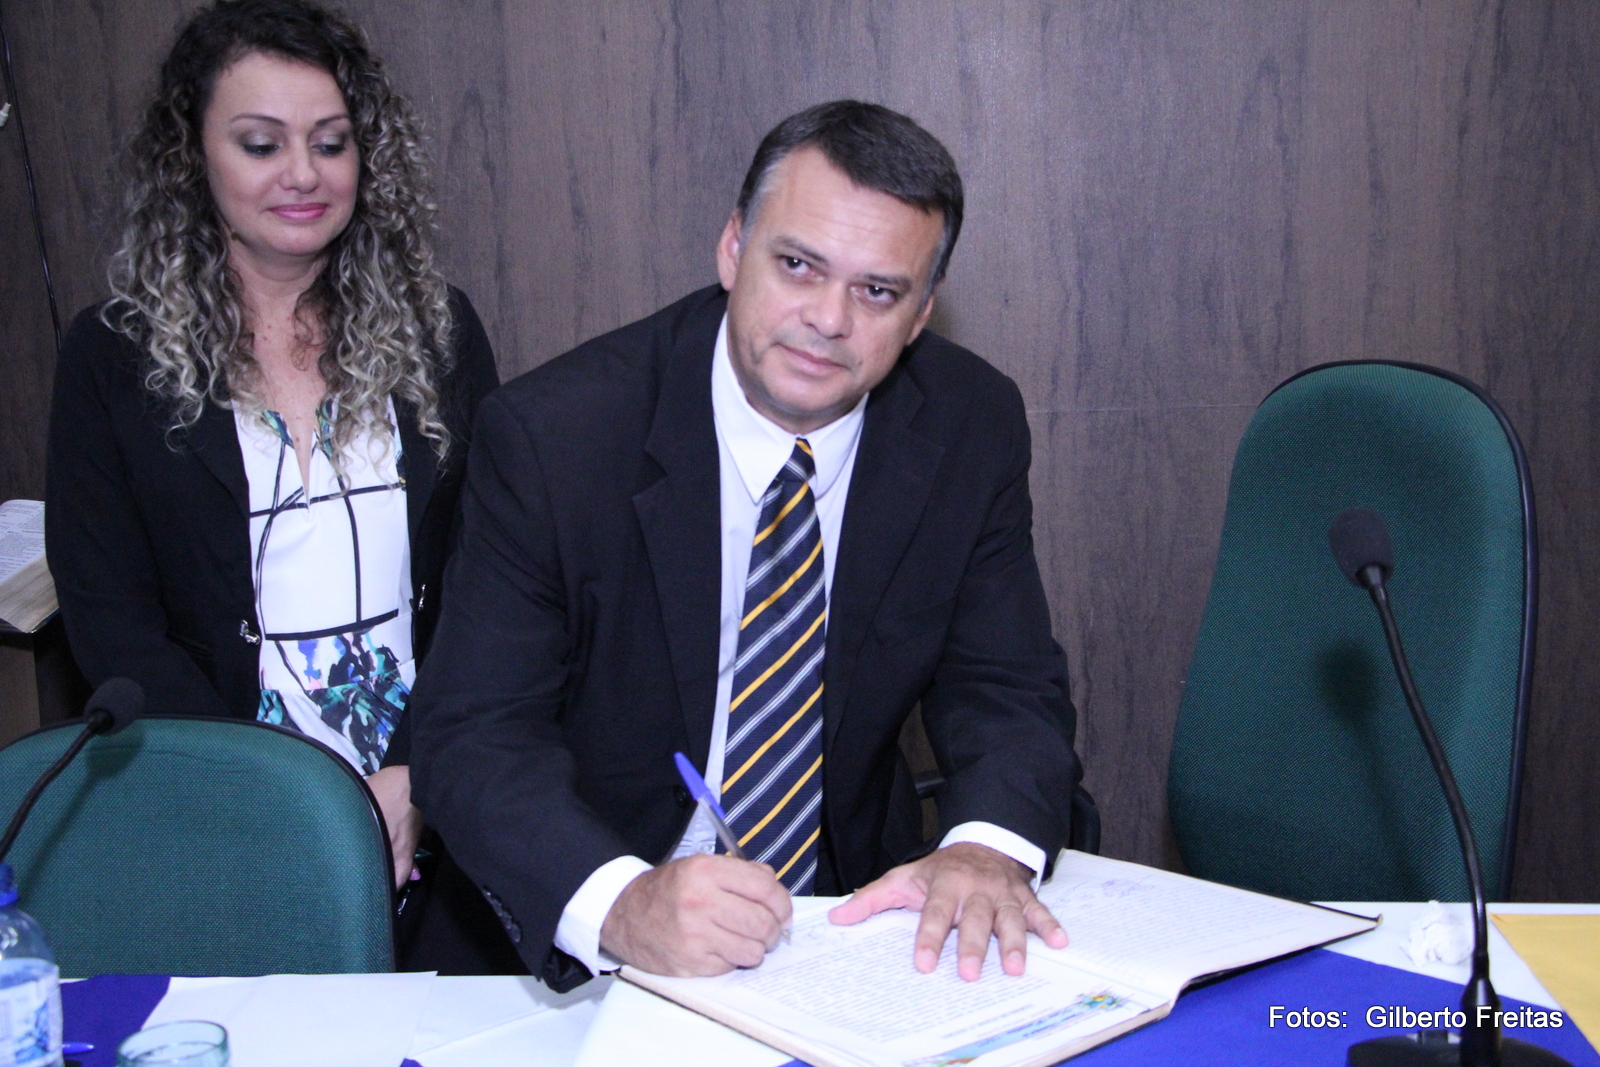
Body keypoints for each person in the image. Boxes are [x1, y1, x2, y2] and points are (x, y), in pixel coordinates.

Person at [409, 100, 1082, 991]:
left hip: (840, 932)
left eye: (877, 292)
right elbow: (473, 735)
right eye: (798, 265)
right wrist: (619, 903)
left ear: (921, 313)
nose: (829, 319)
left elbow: (1007, 688)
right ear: (733, 249)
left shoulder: (968, 424)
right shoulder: (556, 436)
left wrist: (985, 848)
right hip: (581, 942)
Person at [44, 0, 507, 969]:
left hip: (434, 807)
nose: (303, 173)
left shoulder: (439, 329)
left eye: (330, 143)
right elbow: (112, 620)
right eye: (261, 144)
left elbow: (491, 578)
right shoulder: (111, 358)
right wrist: (287, 802)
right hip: (221, 820)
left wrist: (415, 774)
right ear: (193, 157)